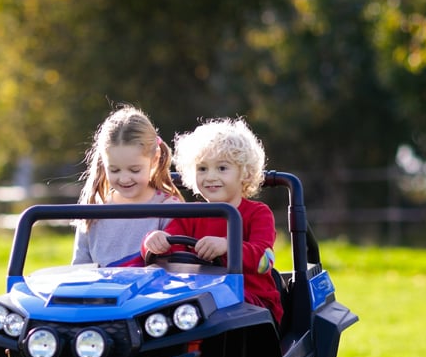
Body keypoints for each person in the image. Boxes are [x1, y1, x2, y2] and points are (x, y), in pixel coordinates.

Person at [142, 117, 283, 323]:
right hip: (197, 299)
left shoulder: (257, 213)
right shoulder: (190, 215)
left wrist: (228, 246)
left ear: (245, 173)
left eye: (222, 168)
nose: (210, 177)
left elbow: (264, 260)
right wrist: (154, 242)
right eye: (202, 168)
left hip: (252, 302)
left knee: (214, 307)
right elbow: (168, 247)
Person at [72, 105, 183, 267]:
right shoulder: (92, 211)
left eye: (134, 169)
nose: (124, 178)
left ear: (154, 159)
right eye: (114, 170)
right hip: (102, 291)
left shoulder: (169, 209)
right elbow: (79, 270)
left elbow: (180, 268)